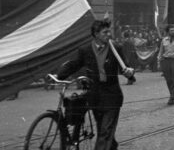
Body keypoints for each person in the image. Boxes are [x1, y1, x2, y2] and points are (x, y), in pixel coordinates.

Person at [55, 20, 134, 150]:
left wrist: (129, 72)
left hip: (112, 97)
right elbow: (74, 64)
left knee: (105, 132)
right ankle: (111, 146)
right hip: (95, 97)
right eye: (105, 32)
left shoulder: (116, 48)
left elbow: (126, 67)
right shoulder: (85, 50)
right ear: (96, 34)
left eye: (109, 31)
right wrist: (59, 76)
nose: (109, 34)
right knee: (104, 130)